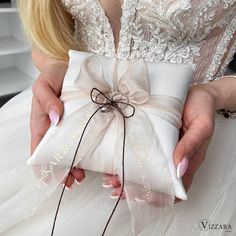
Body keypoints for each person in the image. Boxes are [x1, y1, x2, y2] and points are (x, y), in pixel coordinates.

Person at [0, 0, 236, 235]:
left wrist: (214, 93)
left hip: (189, 130)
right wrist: (55, 66)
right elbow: (46, 33)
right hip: (73, 110)